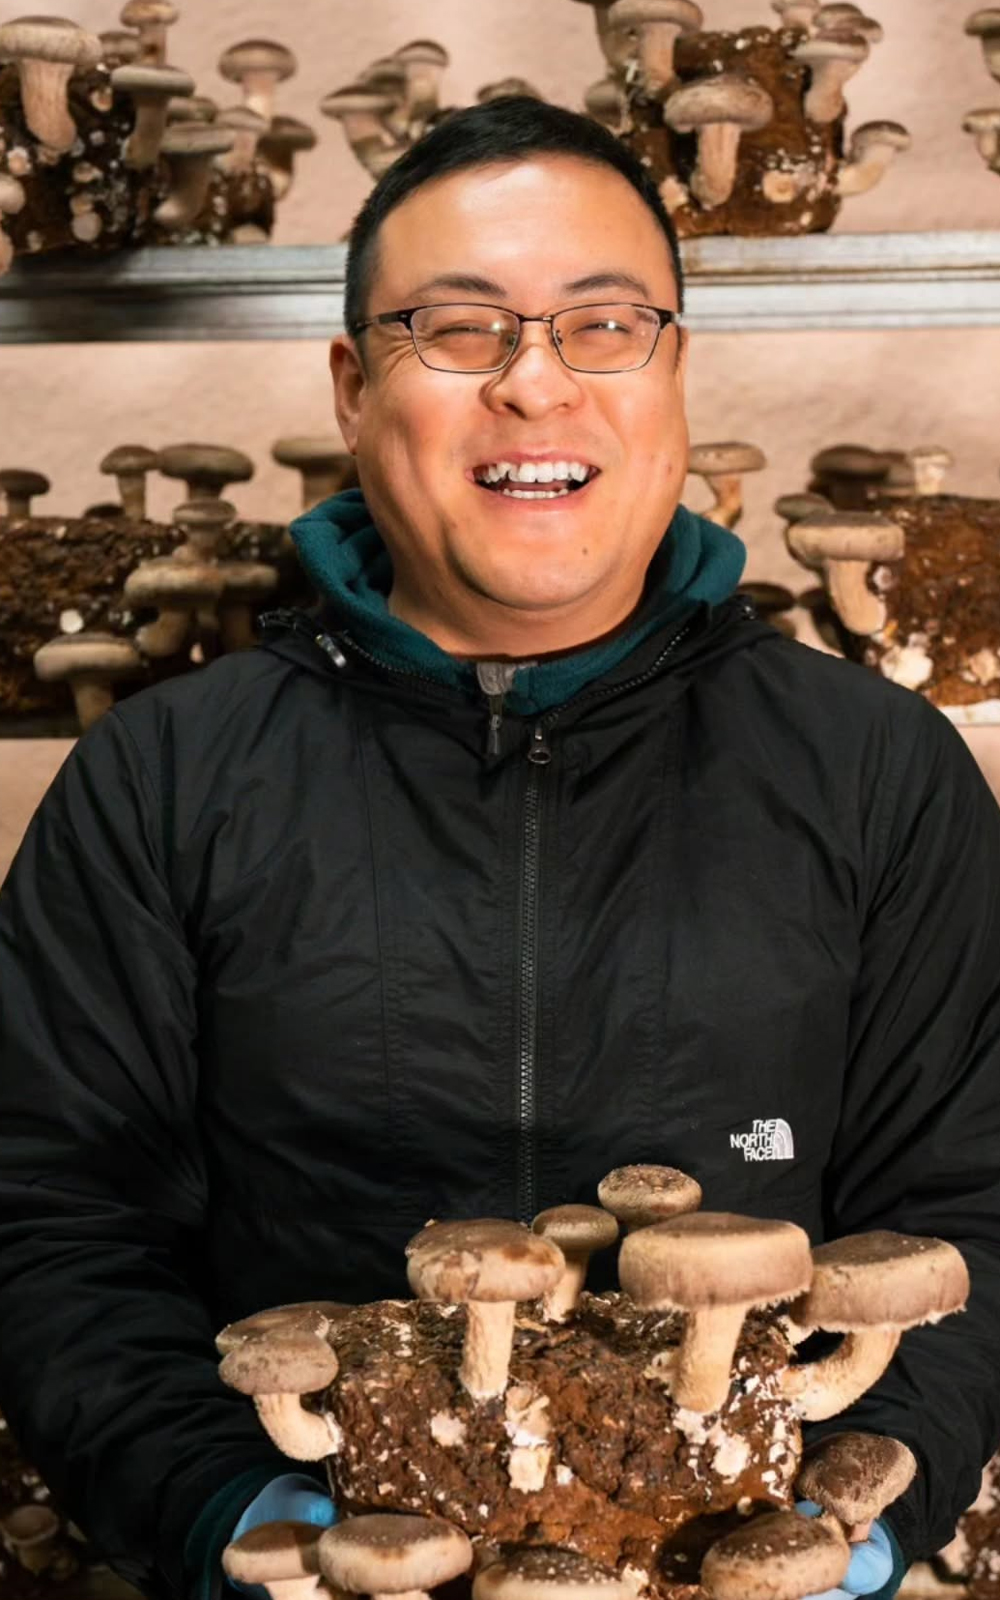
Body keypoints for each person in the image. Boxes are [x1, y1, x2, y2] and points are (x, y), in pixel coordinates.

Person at [0, 95, 998, 1600]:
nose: (536, 384)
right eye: (459, 329)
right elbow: (53, 1213)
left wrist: (850, 1531)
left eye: (605, 325)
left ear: (675, 373)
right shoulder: (162, 777)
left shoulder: (877, 771)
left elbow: (973, 1201)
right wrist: (225, 1510)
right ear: (354, 390)